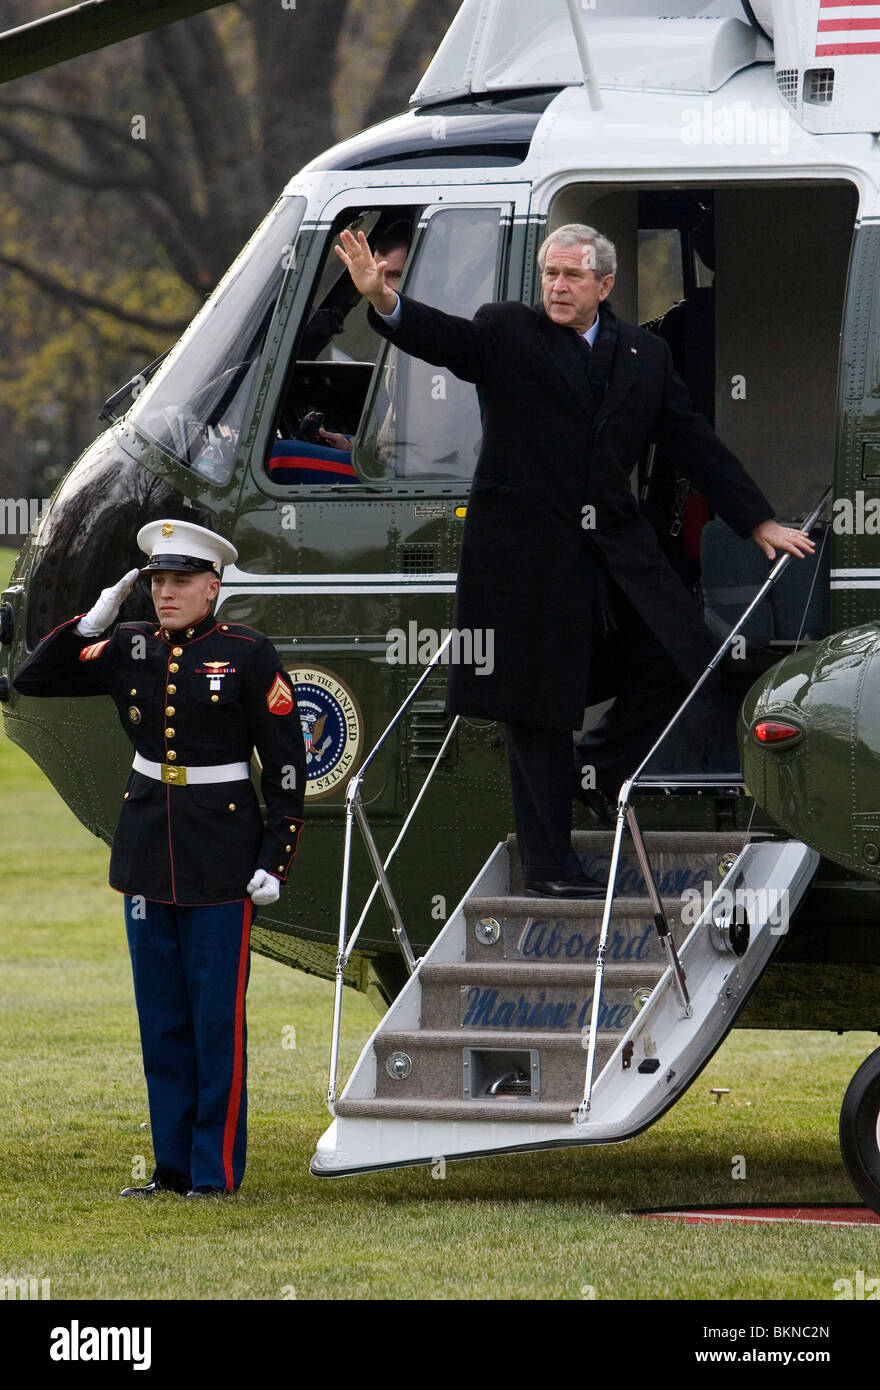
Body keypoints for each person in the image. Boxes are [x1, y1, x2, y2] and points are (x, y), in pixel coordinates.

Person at [335, 222, 814, 898]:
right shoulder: (507, 331)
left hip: (614, 554)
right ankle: (549, 868)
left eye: (573, 277)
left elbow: (690, 439)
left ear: (605, 285)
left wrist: (757, 518)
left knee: (682, 657)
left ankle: (599, 768)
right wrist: (386, 304)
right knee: (538, 709)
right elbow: (450, 341)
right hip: (524, 561)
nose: (558, 287)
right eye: (550, 275)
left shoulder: (645, 354)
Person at [14, 520, 306, 1195]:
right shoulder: (129, 644)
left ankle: (214, 1173)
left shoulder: (248, 653)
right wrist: (97, 618)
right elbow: (36, 677)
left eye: (179, 581)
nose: (165, 592)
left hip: (222, 856)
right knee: (163, 1022)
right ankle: (171, 1169)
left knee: (214, 1024)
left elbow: (288, 767)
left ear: (213, 587)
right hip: (149, 850)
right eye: (156, 581)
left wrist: (276, 856)